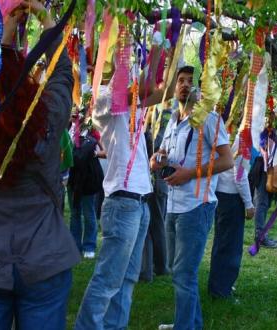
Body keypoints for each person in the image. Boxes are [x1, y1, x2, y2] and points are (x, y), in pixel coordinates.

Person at [0, 2, 79, 329]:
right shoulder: (46, 119)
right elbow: (62, 73)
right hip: (43, 259)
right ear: (27, 89)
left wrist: (0, 36)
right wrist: (46, 17)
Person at [74, 31, 169, 330]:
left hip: (140, 201)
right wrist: (153, 49)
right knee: (109, 277)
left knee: (127, 278)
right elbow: (139, 88)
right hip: (122, 202)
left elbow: (155, 91)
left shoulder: (132, 102)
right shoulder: (104, 100)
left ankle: (115, 327)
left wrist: (162, 50)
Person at [150, 65, 234, 329]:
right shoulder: (173, 119)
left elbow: (227, 160)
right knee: (179, 271)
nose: (185, 85)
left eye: (190, 81)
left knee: (184, 274)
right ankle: (189, 324)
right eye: (180, 81)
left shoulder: (209, 119)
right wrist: (156, 159)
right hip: (173, 204)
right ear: (175, 88)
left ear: (198, 88)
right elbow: (164, 152)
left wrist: (190, 174)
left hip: (197, 206)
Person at [208, 133, 255, 299]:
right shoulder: (243, 137)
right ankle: (221, 289)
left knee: (221, 243)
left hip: (220, 193)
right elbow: (240, 175)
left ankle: (218, 285)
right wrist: (249, 204)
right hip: (231, 197)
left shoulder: (227, 131)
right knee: (230, 246)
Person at [140, 101, 174, 282]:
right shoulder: (160, 120)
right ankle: (158, 265)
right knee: (155, 223)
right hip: (155, 181)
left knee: (155, 224)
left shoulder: (162, 121)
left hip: (155, 180)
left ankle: (158, 266)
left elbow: (159, 151)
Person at [68, 121, 104, 258]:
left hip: (88, 179)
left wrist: (93, 153)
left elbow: (104, 151)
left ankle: (89, 246)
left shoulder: (93, 129)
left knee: (88, 213)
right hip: (73, 178)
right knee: (74, 213)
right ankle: (74, 246)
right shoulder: (69, 127)